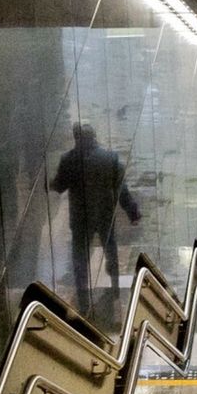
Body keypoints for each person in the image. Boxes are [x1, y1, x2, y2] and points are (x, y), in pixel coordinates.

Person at [50, 123, 142, 308]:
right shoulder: (110, 158)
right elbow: (121, 189)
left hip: (80, 216)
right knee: (110, 246)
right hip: (104, 213)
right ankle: (114, 284)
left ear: (77, 138)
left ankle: (82, 291)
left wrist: (49, 184)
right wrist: (133, 212)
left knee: (80, 254)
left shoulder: (68, 159)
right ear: (94, 137)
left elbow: (60, 186)